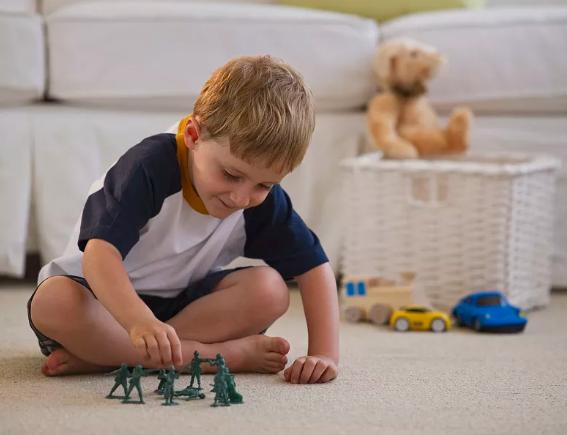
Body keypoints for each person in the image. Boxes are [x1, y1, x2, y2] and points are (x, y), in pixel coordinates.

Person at [27, 55, 339, 384]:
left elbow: (314, 267)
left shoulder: (258, 200)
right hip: (101, 302)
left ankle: (112, 357)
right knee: (53, 302)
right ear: (193, 135)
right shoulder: (149, 166)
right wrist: (137, 322)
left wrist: (324, 354)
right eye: (231, 174)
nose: (241, 198)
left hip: (180, 310)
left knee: (271, 290)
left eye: (263, 185)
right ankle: (209, 357)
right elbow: (99, 255)